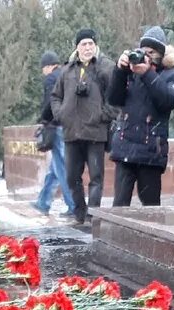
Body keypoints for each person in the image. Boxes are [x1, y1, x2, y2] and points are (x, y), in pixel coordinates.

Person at [108, 27, 174, 207]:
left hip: (151, 151)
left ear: (160, 55)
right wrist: (120, 71)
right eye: (142, 52)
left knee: (151, 208)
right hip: (125, 147)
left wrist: (147, 73)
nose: (145, 56)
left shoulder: (172, 76)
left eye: (151, 52)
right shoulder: (130, 73)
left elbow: (169, 100)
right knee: (119, 205)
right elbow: (113, 98)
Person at [51, 28, 117, 225]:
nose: (87, 47)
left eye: (90, 44)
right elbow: (55, 96)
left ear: (95, 45)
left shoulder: (106, 67)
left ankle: (93, 216)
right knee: (72, 177)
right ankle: (80, 213)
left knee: (96, 177)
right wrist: (60, 114)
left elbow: (116, 98)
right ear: (77, 47)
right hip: (71, 132)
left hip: (96, 132)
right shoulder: (67, 70)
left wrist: (103, 116)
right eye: (83, 44)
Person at [35, 50, 77, 218]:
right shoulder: (67, 74)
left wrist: (43, 119)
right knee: (56, 168)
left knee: (62, 168)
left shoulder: (52, 78)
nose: (43, 72)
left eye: (43, 68)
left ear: (49, 66)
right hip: (70, 125)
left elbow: (50, 103)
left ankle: (73, 205)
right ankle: (43, 202)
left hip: (57, 127)